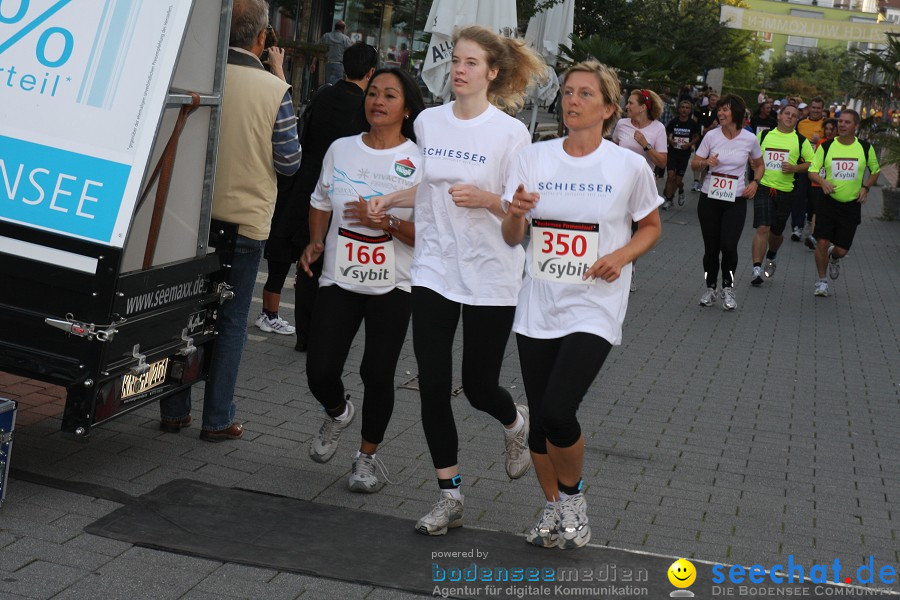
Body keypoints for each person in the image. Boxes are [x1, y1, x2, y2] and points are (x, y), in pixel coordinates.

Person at [368, 25, 545, 536]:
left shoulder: (511, 134)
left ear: (492, 72)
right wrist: (391, 198)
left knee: (478, 386)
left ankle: (515, 421)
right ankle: (449, 495)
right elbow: (428, 184)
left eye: (471, 63)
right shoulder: (428, 122)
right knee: (432, 385)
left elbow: (520, 214)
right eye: (456, 61)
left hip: (490, 271)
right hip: (435, 266)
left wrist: (487, 200)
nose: (460, 69)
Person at [501, 60, 662, 549]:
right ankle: (553, 510)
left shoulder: (628, 166)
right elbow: (513, 238)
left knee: (557, 409)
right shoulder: (534, 157)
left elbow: (651, 227)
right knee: (540, 428)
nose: (573, 101)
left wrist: (620, 255)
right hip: (539, 301)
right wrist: (513, 214)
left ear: (609, 108)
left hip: (595, 302)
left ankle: (573, 498)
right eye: (568, 92)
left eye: (586, 94)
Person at [159, 0, 300, 441]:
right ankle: (217, 418)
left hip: (187, 220)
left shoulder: (198, 74)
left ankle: (173, 408)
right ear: (263, 38)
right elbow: (290, 161)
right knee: (233, 321)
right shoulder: (274, 90)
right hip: (245, 221)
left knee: (185, 314)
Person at [300, 68, 425, 492]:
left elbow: (428, 234)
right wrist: (316, 241)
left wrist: (386, 221)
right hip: (340, 275)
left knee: (378, 373)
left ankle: (366, 459)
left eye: (390, 95)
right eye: (373, 93)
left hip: (394, 282)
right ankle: (337, 412)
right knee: (319, 369)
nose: (379, 101)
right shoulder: (342, 149)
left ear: (407, 109)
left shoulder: (420, 162)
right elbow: (320, 200)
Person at [274, 42, 378, 351]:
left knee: (309, 262)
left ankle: (304, 336)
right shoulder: (366, 109)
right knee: (332, 264)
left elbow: (304, 137)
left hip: (308, 187)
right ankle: (325, 333)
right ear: (370, 73)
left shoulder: (322, 96)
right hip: (345, 192)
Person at [691, 93, 764, 311]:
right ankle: (710, 287)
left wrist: (756, 183)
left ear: (737, 113)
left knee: (729, 246)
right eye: (719, 109)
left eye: (725, 109)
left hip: (736, 199)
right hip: (709, 198)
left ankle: (728, 287)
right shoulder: (711, 136)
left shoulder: (749, 138)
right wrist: (705, 162)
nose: (720, 113)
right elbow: (694, 164)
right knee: (711, 248)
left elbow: (759, 165)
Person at [808, 110, 879, 297]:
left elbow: (875, 171)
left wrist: (866, 187)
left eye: (847, 122)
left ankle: (834, 256)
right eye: (840, 121)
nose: (842, 125)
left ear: (855, 126)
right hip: (828, 201)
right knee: (822, 241)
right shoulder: (827, 146)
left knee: (841, 249)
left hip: (851, 204)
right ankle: (822, 282)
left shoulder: (865, 148)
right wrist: (822, 182)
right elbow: (812, 171)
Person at [749, 104, 814, 287]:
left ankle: (772, 254)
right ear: (779, 116)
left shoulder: (801, 141)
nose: (790, 117)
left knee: (776, 232)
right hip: (764, 187)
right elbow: (751, 153)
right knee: (762, 228)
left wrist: (794, 168)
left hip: (786, 191)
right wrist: (753, 163)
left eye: (794, 115)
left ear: (797, 120)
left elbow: (811, 162)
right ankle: (756, 269)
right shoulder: (764, 135)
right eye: (787, 113)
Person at [793, 97, 827, 243]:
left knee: (814, 201)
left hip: (819, 169)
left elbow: (831, 141)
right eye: (813, 107)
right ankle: (797, 227)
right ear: (809, 108)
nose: (815, 110)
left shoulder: (826, 125)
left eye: (818, 108)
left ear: (822, 109)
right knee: (798, 198)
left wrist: (819, 139)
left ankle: (810, 224)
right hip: (802, 166)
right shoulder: (801, 123)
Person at [804, 118, 837, 250]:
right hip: (818, 183)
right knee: (817, 210)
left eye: (831, 129)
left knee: (832, 211)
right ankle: (813, 236)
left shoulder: (839, 144)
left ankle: (831, 237)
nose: (828, 132)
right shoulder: (820, 143)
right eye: (826, 129)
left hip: (833, 184)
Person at [664, 99, 701, 207]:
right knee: (671, 175)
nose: (684, 109)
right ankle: (669, 199)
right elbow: (665, 133)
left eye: (687, 108)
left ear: (690, 110)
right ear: (679, 109)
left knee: (678, 180)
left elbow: (697, 136)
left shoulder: (692, 124)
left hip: (684, 154)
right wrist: (670, 141)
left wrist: (689, 144)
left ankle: (681, 190)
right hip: (673, 152)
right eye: (682, 107)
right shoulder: (674, 121)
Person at [691, 91, 719, 192]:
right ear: (709, 100)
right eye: (712, 100)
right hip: (701, 138)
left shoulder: (718, 112)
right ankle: (695, 180)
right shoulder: (702, 110)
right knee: (698, 159)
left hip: (713, 140)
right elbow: (698, 122)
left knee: (707, 162)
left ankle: (701, 183)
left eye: (715, 101)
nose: (713, 102)